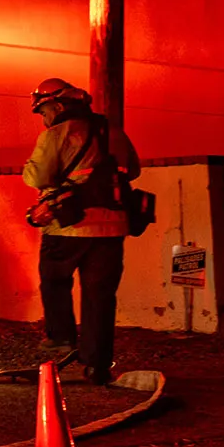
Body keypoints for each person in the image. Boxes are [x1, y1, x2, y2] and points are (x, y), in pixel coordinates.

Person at [20, 77, 138, 384]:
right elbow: (133, 170)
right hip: (112, 228)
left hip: (68, 228)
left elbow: (36, 176)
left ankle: (61, 337)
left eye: (43, 111)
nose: (43, 118)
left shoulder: (55, 134)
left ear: (58, 106)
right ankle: (96, 364)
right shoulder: (113, 132)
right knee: (100, 296)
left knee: (55, 281)